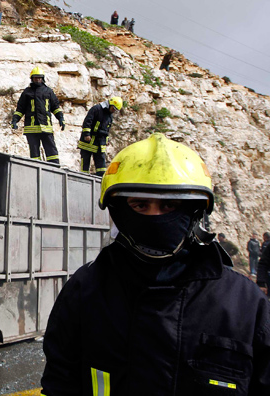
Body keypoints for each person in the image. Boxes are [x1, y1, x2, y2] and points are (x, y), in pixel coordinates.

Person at [41, 133, 270, 395]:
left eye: (169, 206)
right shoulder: (85, 290)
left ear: (195, 213)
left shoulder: (246, 306)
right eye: (140, 205)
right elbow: (60, 383)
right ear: (118, 211)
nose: (154, 217)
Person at [11, 67, 65, 166]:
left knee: (51, 150)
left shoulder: (48, 91)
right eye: (36, 78)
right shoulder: (27, 92)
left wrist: (61, 118)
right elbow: (20, 109)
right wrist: (15, 120)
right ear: (32, 79)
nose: (38, 80)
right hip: (31, 128)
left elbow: (55, 107)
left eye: (39, 78)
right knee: (34, 153)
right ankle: (37, 168)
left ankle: (55, 168)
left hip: (46, 127)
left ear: (43, 78)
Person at [78, 97, 122, 176]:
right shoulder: (96, 109)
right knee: (85, 164)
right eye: (113, 108)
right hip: (89, 141)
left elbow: (107, 129)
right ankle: (83, 178)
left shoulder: (109, 115)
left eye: (115, 110)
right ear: (110, 104)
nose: (113, 111)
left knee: (101, 166)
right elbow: (87, 122)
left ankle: (100, 179)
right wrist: (87, 134)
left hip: (100, 142)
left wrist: (107, 140)